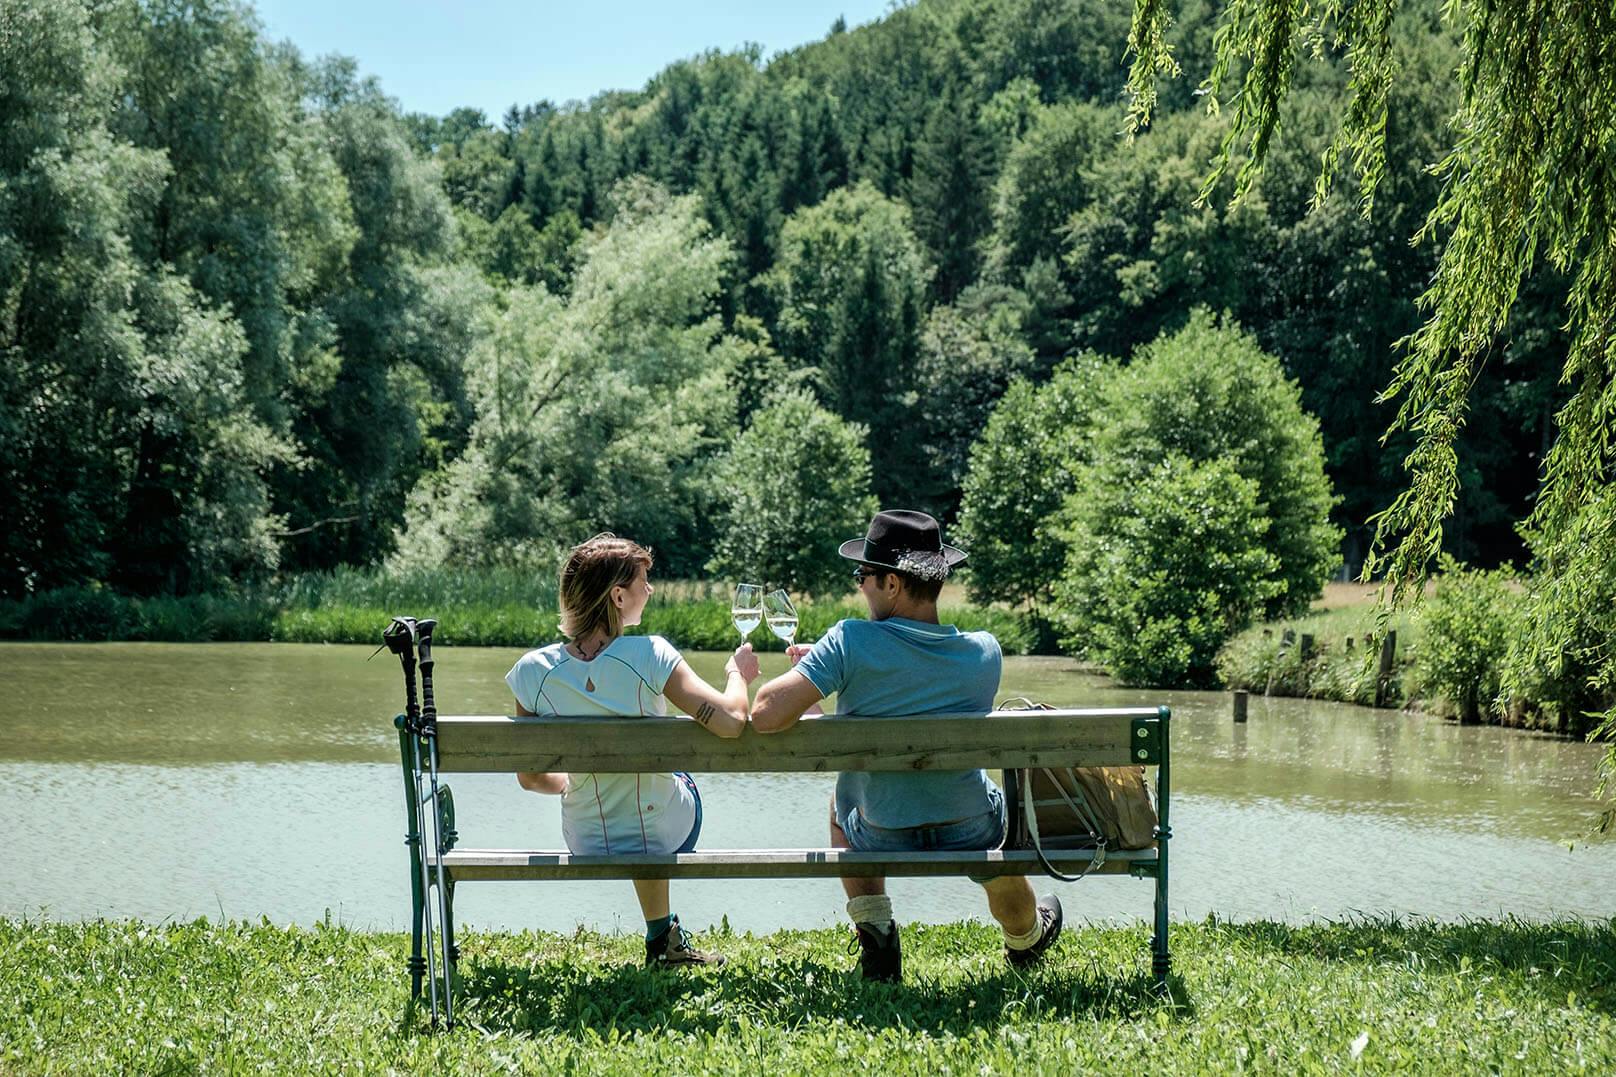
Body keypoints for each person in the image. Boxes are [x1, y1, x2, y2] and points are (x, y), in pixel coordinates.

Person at [750, 509, 1062, 982]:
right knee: (996, 832)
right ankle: (1025, 939)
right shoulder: (985, 652)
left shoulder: (850, 641)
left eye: (864, 575)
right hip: (971, 828)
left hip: (881, 830)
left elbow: (766, 714)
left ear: (892, 584)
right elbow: (913, 679)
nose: (860, 586)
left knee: (840, 806)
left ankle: (877, 940)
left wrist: (826, 665)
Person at [506, 533, 759, 968]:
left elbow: (530, 778)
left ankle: (665, 937)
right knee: (676, 784)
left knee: (626, 796)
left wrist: (572, 782)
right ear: (618, 596)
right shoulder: (651, 655)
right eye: (644, 581)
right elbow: (732, 722)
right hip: (661, 831)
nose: (651, 589)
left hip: (585, 836)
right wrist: (739, 674)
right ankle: (664, 938)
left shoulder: (533, 671)